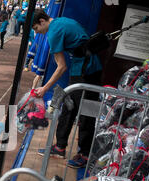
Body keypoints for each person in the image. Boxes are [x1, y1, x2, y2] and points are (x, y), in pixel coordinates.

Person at [33, 9, 103, 169]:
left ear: (42, 22)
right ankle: (60, 147)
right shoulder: (62, 21)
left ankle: (85, 154)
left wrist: (44, 88)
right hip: (83, 67)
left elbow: (61, 66)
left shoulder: (53, 32)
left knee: (87, 112)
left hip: (87, 70)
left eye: (36, 29)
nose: (37, 33)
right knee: (69, 106)